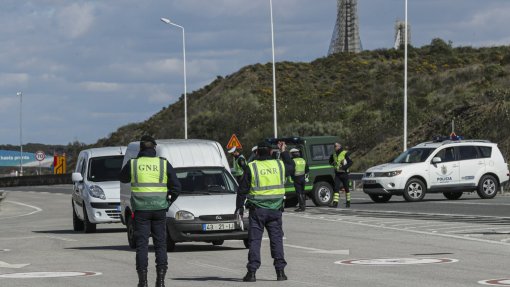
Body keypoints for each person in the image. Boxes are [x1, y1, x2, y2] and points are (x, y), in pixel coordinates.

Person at [119, 135, 181, 287]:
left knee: (142, 246)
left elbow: (123, 178)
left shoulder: (133, 164)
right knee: (160, 245)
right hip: (159, 209)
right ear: (154, 148)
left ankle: (143, 282)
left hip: (140, 210)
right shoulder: (163, 163)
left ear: (141, 148)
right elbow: (177, 187)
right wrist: (168, 203)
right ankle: (160, 281)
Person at [235, 141, 295, 282]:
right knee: (276, 240)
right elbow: (292, 167)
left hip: (257, 211)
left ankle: (252, 273)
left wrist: (239, 207)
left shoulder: (252, 167)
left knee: (255, 241)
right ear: (270, 152)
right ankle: (280, 273)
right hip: (275, 211)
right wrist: (285, 151)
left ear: (256, 153)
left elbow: (242, 190)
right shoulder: (279, 165)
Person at [329, 142, 353, 208]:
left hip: (344, 173)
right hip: (337, 174)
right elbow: (330, 162)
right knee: (336, 188)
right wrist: (333, 163)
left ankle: (348, 202)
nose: (334, 147)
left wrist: (343, 167)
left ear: (339, 146)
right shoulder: (334, 154)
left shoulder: (345, 153)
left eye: (335, 146)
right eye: (334, 146)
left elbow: (351, 162)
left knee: (346, 188)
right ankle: (335, 203)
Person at [289, 148, 309, 212]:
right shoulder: (303, 160)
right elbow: (307, 170)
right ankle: (304, 206)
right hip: (303, 177)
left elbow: (291, 170)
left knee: (299, 193)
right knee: (303, 192)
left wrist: (291, 177)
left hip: (296, 178)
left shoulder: (293, 161)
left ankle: (301, 207)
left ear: (293, 154)